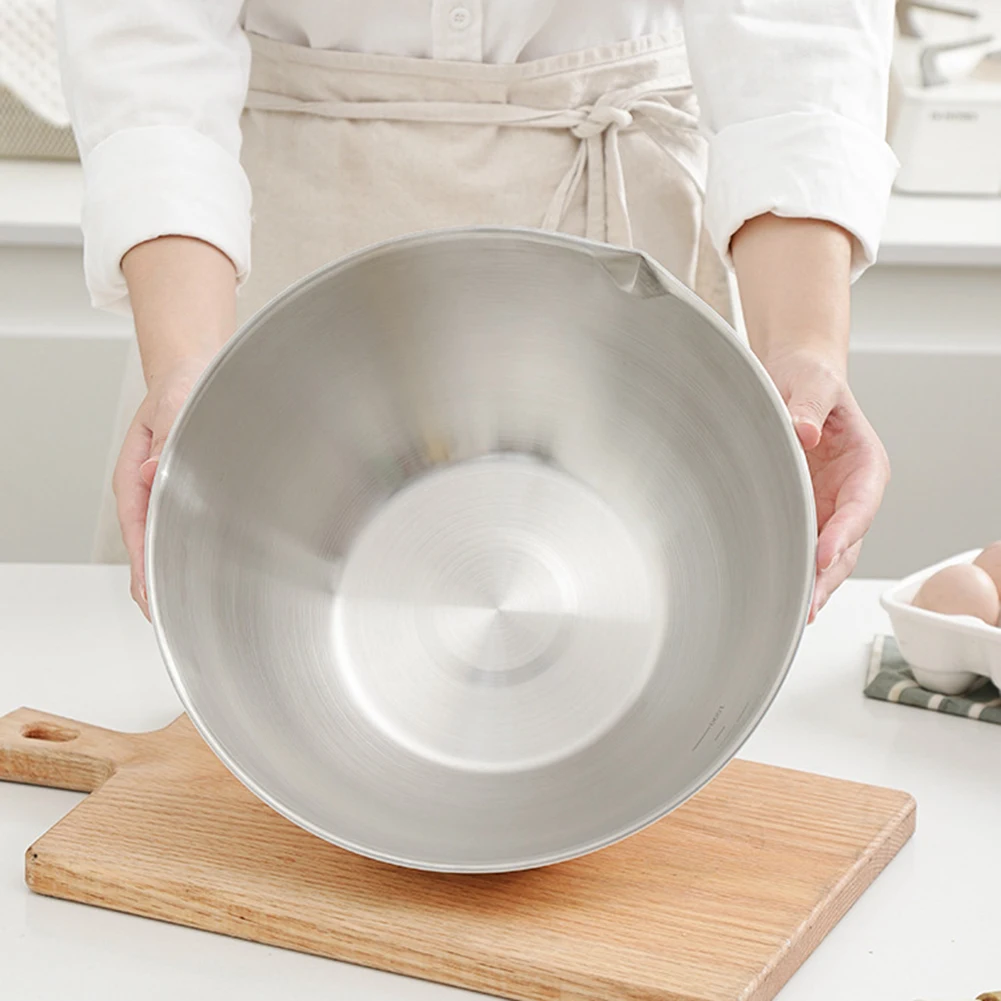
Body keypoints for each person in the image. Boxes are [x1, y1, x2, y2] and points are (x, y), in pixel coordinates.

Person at [58, 1, 896, 622]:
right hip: (260, 252)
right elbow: (146, 43)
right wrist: (185, 364)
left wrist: (803, 349)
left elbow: (795, 27)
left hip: (613, 228)